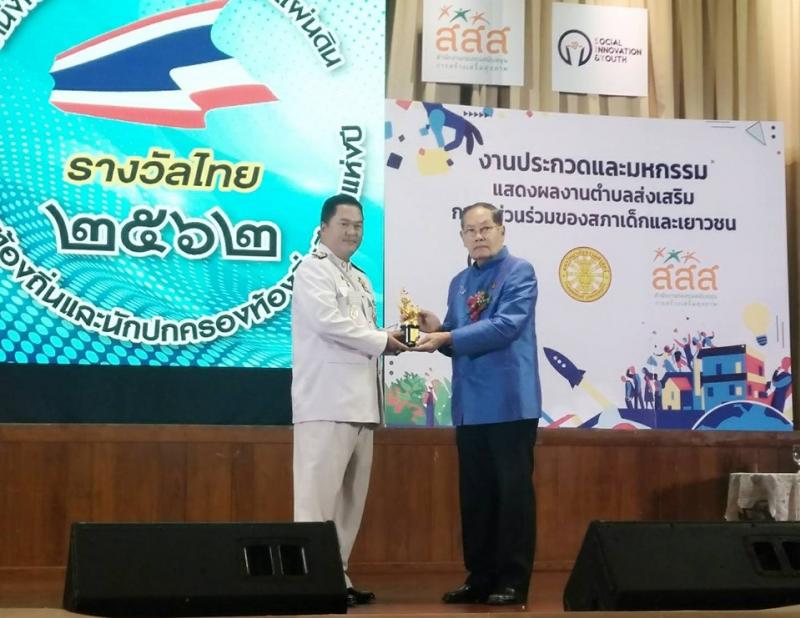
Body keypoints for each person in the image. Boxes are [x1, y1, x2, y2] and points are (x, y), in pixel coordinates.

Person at [414, 202, 542, 606]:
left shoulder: (519, 272)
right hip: (470, 405)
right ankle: (480, 577)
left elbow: (506, 326)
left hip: (509, 403)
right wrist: (438, 329)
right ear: (462, 237)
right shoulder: (460, 281)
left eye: (486, 228)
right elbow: (455, 338)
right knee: (476, 496)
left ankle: (513, 580)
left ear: (502, 230)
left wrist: (448, 337)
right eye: (470, 230)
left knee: (512, 496)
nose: (479, 236)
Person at [291, 194, 408, 606]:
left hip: (362, 403)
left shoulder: (360, 278)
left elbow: (362, 330)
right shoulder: (311, 269)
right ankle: (308, 581)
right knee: (316, 500)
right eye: (344, 224)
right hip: (325, 401)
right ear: (323, 227)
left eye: (358, 225)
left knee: (349, 501)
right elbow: (328, 322)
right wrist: (381, 340)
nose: (352, 232)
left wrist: (395, 335)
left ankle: (337, 575)